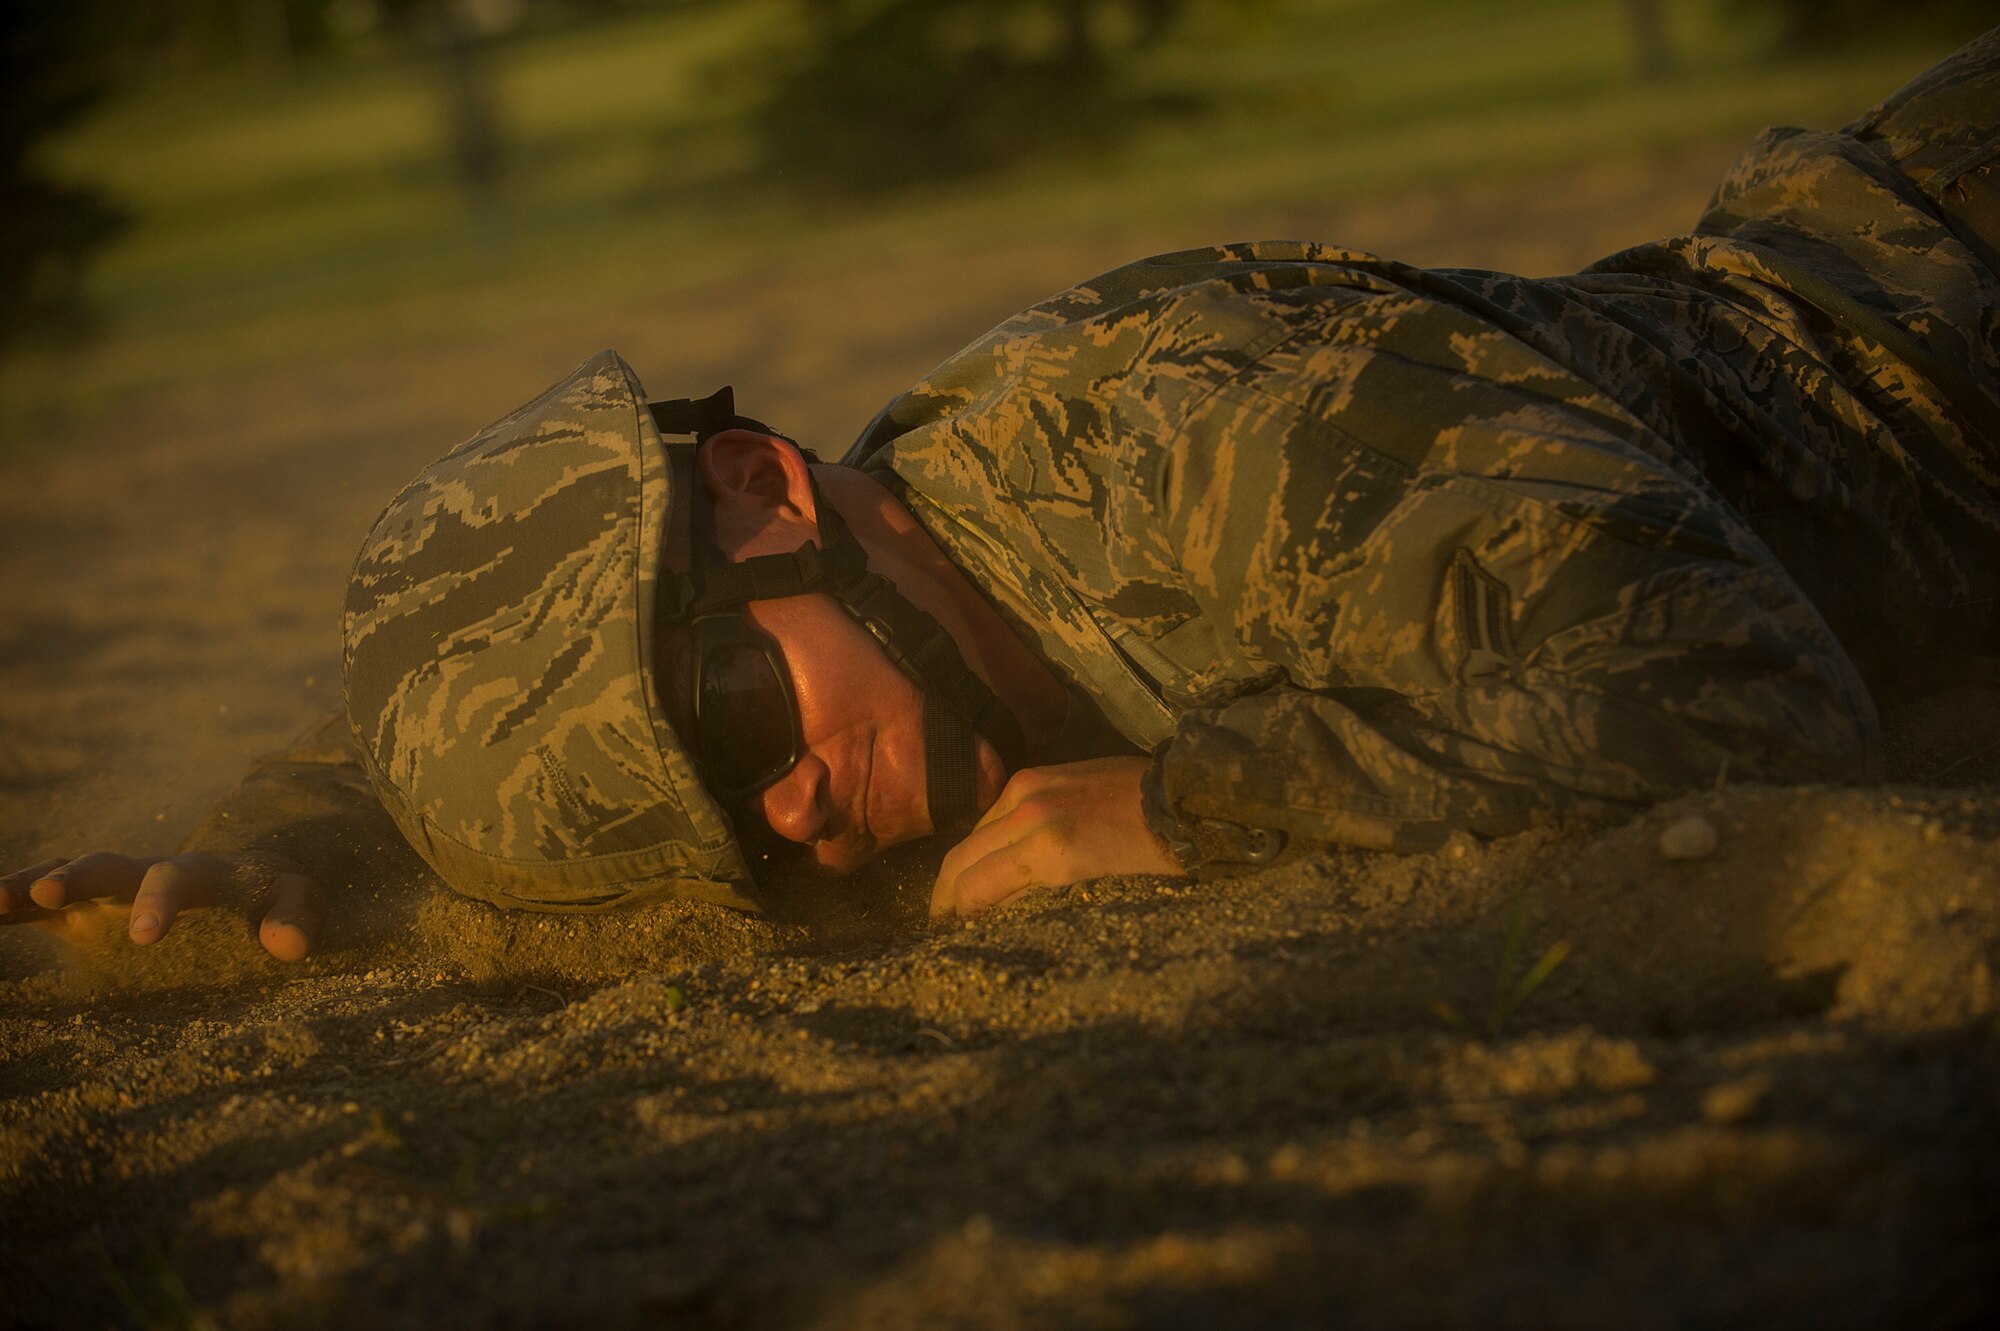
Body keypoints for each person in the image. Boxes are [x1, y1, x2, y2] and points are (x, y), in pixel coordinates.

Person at [6, 29, 1997, 959]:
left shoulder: (1208, 437)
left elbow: (1745, 702)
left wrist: (1187, 802)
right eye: (731, 828)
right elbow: (531, 663)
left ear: (766, 491)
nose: (782, 813)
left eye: (728, 724)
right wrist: (296, 835)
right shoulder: (874, 581)